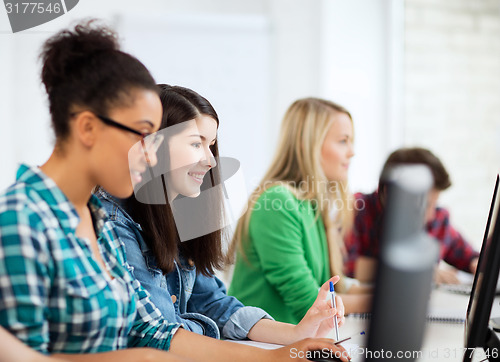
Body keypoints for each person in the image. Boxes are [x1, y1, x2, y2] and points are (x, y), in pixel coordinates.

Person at [0, 21, 349, 362]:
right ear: (88, 127)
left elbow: (152, 330)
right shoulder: (23, 219)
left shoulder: (96, 218)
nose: (151, 155)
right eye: (142, 135)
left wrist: (282, 350)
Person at [97, 84, 346, 344]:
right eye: (196, 144)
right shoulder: (115, 222)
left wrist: (296, 335)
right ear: (152, 146)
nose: (211, 160)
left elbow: (213, 303)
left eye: (211, 145)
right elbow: (164, 334)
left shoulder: (180, 213)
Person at [228, 98, 372, 321]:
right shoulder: (277, 203)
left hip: (289, 342)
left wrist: (388, 291)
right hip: (261, 347)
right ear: (309, 144)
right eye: (343, 141)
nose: (352, 152)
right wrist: (384, 301)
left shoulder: (313, 204)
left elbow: (331, 284)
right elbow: (311, 303)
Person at [344, 147, 479, 284]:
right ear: (389, 193)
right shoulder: (356, 209)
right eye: (425, 205)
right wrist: (419, 272)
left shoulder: (438, 219)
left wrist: (477, 265)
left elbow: (470, 257)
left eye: (434, 203)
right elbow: (344, 265)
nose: (431, 215)